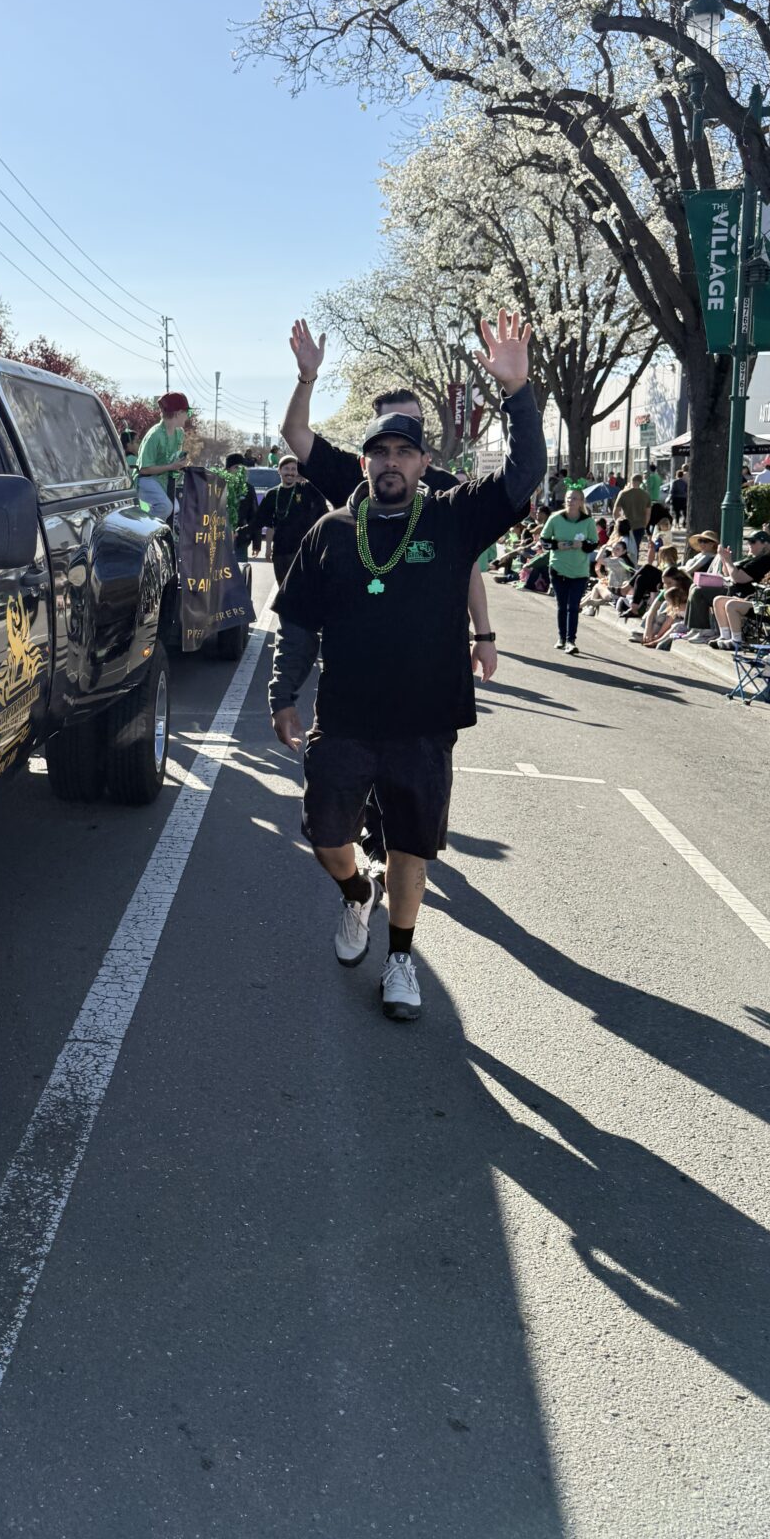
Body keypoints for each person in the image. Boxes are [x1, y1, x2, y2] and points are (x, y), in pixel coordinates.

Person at [269, 307, 544, 1022]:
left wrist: (518, 393)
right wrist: (283, 694)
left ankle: (400, 958)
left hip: (423, 721)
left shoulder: (453, 515)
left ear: (423, 463)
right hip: (345, 719)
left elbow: (525, 475)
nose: (391, 462)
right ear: (363, 463)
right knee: (329, 837)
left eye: (404, 452)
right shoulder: (331, 531)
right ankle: (355, 894)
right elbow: (297, 623)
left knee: (411, 848)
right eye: (380, 452)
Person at [280, 332, 500, 683]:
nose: (399, 439)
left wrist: (484, 635)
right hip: (359, 653)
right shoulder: (356, 473)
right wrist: (307, 377)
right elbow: (294, 432)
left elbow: (468, 563)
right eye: (391, 427)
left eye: (413, 425)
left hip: (432, 655)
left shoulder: (448, 491)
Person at [538, 485, 595, 653]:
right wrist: (557, 545)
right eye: (569, 498)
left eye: (575, 498)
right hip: (558, 568)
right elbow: (544, 540)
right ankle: (562, 638)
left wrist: (582, 545)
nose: (571, 501)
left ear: (581, 502)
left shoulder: (588, 521)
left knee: (573, 606)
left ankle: (571, 641)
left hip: (580, 571)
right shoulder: (555, 518)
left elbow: (594, 543)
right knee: (562, 606)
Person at [703, 531, 770, 649]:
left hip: (753, 598)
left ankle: (736, 640)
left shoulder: (764, 560)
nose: (749, 544)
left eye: (753, 542)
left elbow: (738, 578)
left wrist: (728, 560)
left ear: (765, 544)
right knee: (718, 600)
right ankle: (725, 636)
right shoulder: (752, 558)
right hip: (743, 595)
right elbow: (727, 573)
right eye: (748, 542)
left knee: (729, 604)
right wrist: (724, 559)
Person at [257, 454, 327, 580]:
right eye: (286, 469)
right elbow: (268, 525)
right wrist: (267, 549)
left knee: (301, 589)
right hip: (280, 553)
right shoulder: (273, 494)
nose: (290, 472)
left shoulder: (308, 491)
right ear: (279, 471)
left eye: (294, 469)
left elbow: (323, 516)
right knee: (283, 588)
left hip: (302, 553)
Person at [136, 392, 190, 520]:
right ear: (178, 413)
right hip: (145, 480)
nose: (188, 416)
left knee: (175, 508)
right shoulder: (154, 435)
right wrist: (171, 466)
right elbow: (143, 469)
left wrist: (180, 464)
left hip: (163, 480)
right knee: (165, 507)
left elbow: (172, 459)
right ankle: (145, 530)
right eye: (187, 412)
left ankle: (155, 527)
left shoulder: (179, 433)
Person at [613, 475, 651, 547]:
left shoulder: (623, 493)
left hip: (626, 526)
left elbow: (615, 512)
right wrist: (644, 526)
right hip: (640, 526)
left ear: (631, 481)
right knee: (635, 548)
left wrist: (618, 524)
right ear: (641, 482)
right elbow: (648, 514)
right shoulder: (646, 495)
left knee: (624, 547)